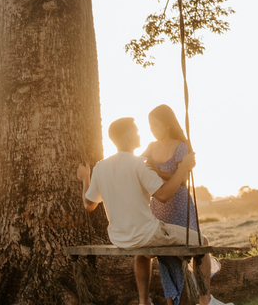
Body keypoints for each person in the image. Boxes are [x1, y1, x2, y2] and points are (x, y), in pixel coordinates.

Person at [76, 117, 228, 305]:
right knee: (201, 242)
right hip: (146, 234)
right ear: (131, 137)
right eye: (138, 131)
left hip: (119, 238)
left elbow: (88, 205)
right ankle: (206, 301)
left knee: (142, 253)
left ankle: (144, 302)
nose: (140, 134)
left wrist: (85, 178)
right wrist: (184, 169)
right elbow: (163, 195)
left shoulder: (100, 167)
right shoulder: (140, 163)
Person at [140, 104, 211, 305]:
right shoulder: (151, 147)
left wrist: (157, 171)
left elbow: (182, 181)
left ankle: (202, 296)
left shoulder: (181, 146)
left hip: (179, 205)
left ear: (168, 124)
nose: (152, 129)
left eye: (156, 124)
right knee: (165, 257)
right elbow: (139, 167)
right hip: (159, 207)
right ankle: (172, 301)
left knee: (190, 249)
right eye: (150, 125)